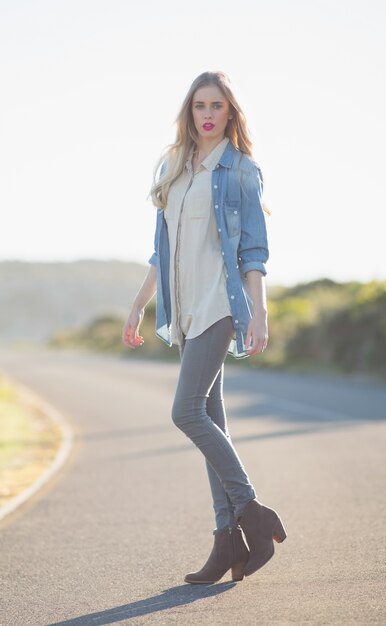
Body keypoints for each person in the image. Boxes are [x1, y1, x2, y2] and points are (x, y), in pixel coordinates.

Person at [122, 71, 286, 584]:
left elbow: (253, 252)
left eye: (217, 105)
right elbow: (161, 250)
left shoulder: (239, 170)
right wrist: (138, 306)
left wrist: (259, 311)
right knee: (212, 420)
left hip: (219, 304)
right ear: (189, 112)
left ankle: (253, 514)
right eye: (199, 105)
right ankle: (226, 542)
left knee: (186, 412)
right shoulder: (173, 169)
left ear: (230, 112)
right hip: (186, 310)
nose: (208, 113)